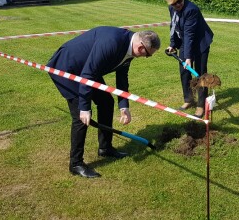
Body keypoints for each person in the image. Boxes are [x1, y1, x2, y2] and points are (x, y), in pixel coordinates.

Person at [47, 26, 160, 178]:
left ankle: (105, 148)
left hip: (88, 69)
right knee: (80, 117)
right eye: (148, 55)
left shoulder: (130, 48)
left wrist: (124, 106)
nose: (146, 58)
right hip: (68, 68)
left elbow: (122, 77)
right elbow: (87, 74)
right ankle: (76, 164)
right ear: (141, 48)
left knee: (106, 102)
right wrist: (84, 107)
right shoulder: (112, 43)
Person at [164, 0, 214, 118]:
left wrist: (188, 57)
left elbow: (189, 34)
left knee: (200, 74)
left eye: (179, 1)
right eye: (174, 3)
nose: (178, 5)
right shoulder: (172, 8)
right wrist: (173, 44)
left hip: (200, 42)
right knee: (184, 71)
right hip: (186, 42)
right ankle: (188, 99)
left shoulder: (191, 10)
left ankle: (201, 105)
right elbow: (173, 26)